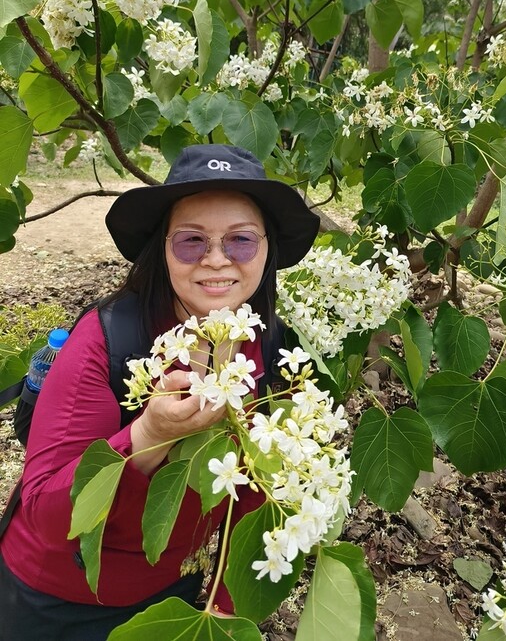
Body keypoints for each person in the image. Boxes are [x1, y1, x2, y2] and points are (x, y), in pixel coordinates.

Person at [0, 144, 319, 641]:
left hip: (173, 589)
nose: (217, 259)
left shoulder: (277, 349)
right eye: (191, 241)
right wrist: (147, 434)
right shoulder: (108, 339)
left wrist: (224, 605)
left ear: (267, 249)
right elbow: (46, 514)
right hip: (59, 598)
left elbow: (258, 494)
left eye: (241, 240)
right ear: (163, 249)